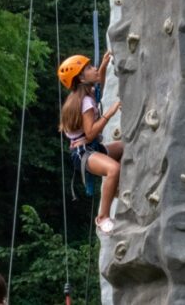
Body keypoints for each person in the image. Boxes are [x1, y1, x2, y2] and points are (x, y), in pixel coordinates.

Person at [58, 52, 123, 234]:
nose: (93, 69)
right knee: (113, 169)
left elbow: (100, 83)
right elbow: (91, 132)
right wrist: (109, 113)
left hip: (92, 148)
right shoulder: (85, 102)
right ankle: (103, 217)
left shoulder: (86, 94)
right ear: (80, 78)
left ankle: (115, 187)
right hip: (84, 153)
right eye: (88, 68)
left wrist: (102, 66)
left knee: (124, 148)